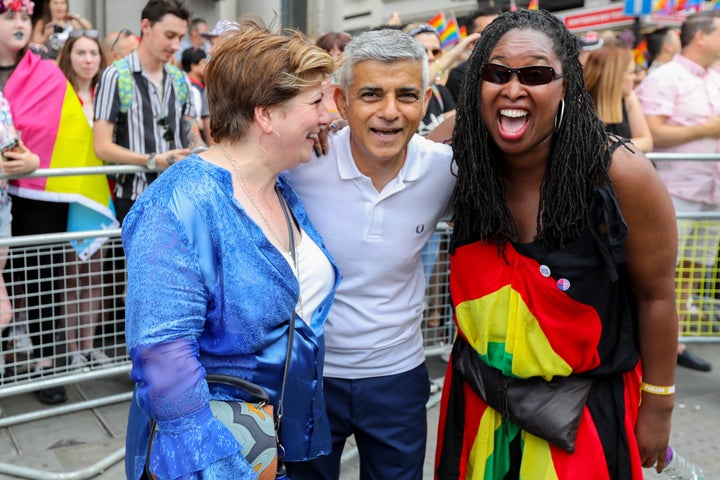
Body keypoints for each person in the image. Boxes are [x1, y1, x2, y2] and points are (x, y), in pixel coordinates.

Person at [435, 9, 677, 479]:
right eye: (496, 73)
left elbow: (657, 296)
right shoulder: (455, 155)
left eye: (536, 74)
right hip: (478, 403)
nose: (513, 89)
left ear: (566, 85)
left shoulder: (619, 174)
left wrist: (659, 406)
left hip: (582, 415)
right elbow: (384, 157)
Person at [122, 17, 339, 479]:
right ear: (267, 114)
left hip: (285, 440)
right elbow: (164, 359)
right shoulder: (177, 204)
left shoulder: (278, 186)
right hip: (217, 457)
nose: (328, 116)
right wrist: (220, 467)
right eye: (316, 101)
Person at [283, 28, 455, 480]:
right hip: (308, 375)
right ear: (341, 102)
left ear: (425, 99)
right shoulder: (300, 164)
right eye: (372, 94)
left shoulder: (444, 171)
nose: (390, 112)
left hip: (398, 377)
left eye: (407, 95)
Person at [636, 10, 720, 373]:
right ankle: (645, 346)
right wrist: (707, 128)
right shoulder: (665, 77)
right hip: (672, 190)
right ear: (701, 36)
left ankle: (673, 341)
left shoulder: (715, 77)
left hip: (710, 191)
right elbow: (651, 134)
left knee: (691, 271)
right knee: (658, 272)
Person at [93, 0, 203, 224]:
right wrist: (153, 160)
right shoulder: (115, 75)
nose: (175, 45)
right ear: (146, 26)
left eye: (180, 38)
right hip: (136, 197)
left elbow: (191, 134)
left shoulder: (179, 78)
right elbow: (102, 147)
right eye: (170, 35)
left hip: (180, 194)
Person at [56, 29, 113, 368]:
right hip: (70, 195)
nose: (88, 60)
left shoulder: (106, 96)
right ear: (69, 57)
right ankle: (72, 349)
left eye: (93, 53)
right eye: (81, 53)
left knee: (95, 274)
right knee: (68, 275)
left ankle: (89, 345)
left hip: (102, 194)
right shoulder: (58, 95)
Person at [584, 45, 653, 152]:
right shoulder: (581, 104)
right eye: (630, 72)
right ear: (614, 77)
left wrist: (611, 149)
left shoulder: (629, 97)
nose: (634, 77)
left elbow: (647, 142)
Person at [445, 6, 501, 102]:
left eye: (499, 31)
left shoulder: (523, 64)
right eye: (487, 33)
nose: (494, 37)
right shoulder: (460, 75)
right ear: (471, 41)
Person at [180, 46, 208, 142]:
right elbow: (196, 121)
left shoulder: (197, 86)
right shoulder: (192, 89)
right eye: (204, 62)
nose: (207, 66)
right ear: (193, 66)